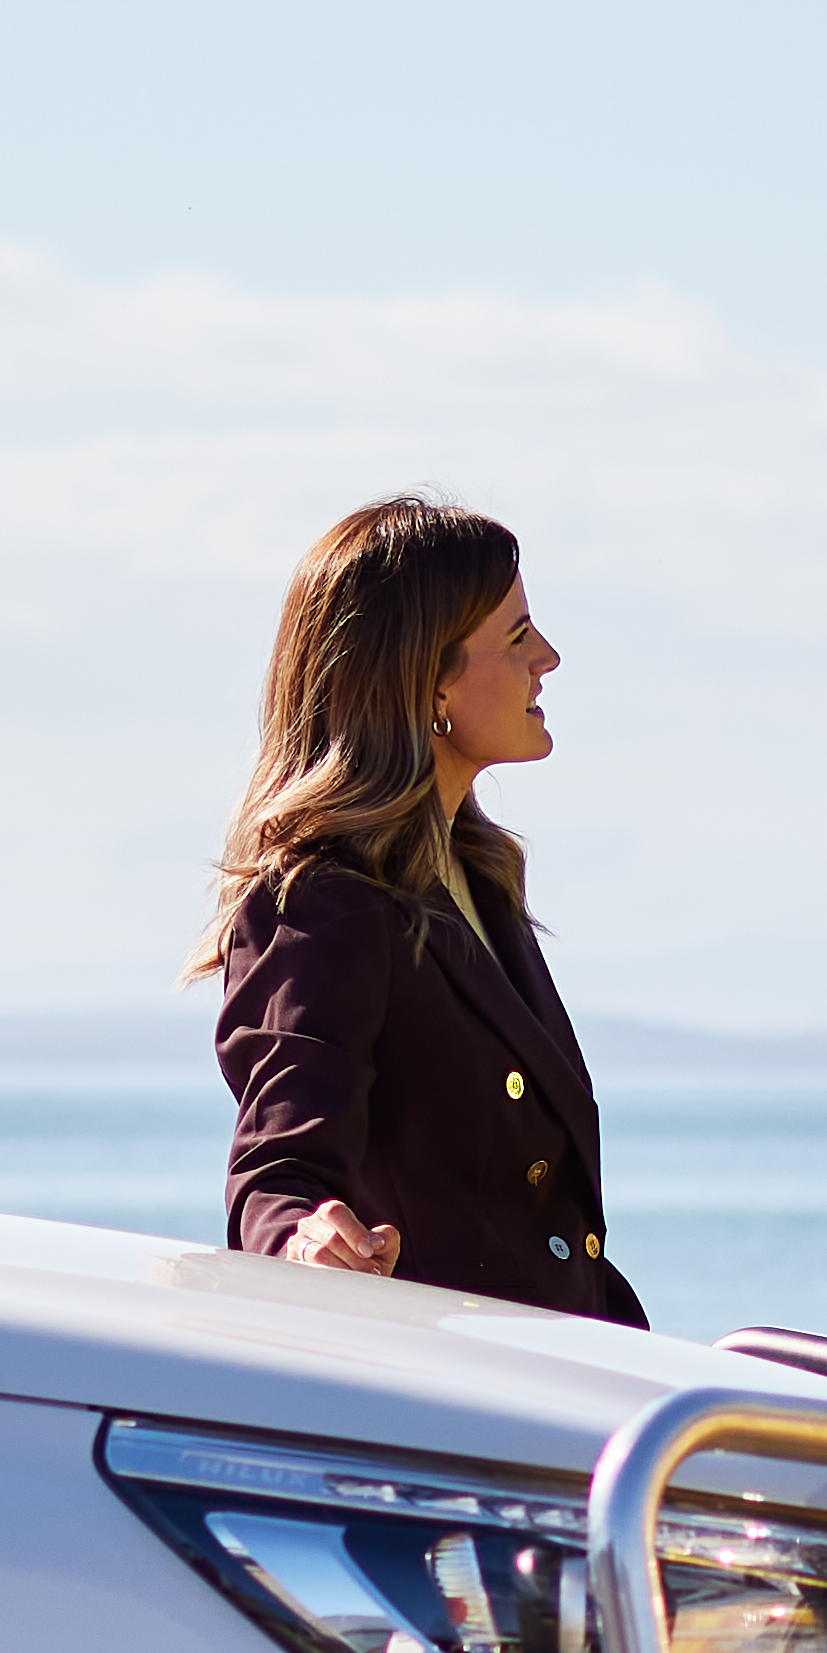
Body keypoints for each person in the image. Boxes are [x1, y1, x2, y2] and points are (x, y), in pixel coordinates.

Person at [201, 496, 646, 1322]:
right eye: (516, 638)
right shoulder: (320, 906)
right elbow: (278, 1176)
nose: (546, 657)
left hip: (569, 1373)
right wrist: (307, 1240)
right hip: (459, 1405)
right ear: (427, 681)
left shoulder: (479, 879)